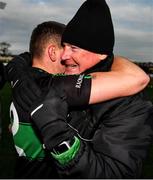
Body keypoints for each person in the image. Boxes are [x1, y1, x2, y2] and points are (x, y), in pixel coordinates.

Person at [6, 14, 151, 180]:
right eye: (64, 47)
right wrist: (60, 138)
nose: (65, 55)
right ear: (52, 52)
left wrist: (15, 69)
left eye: (73, 47)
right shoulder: (56, 85)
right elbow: (137, 78)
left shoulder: (24, 77)